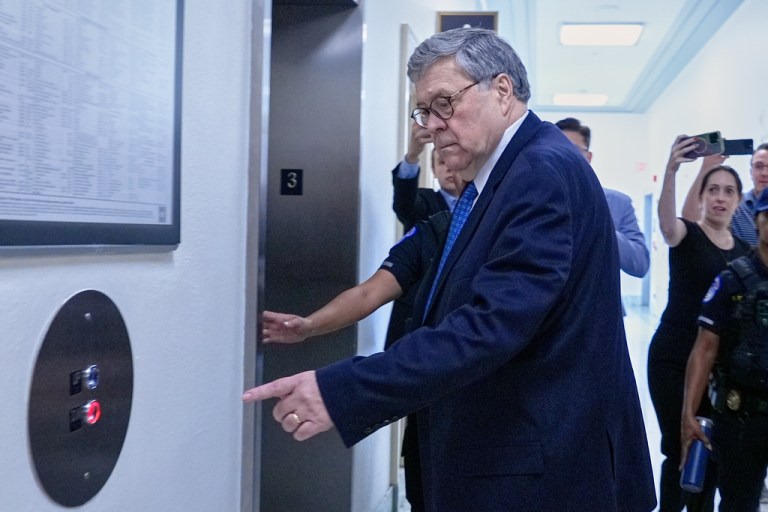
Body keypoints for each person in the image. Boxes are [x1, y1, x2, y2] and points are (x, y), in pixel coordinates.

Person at [244, 27, 656, 511]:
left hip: (538, 469)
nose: (432, 125)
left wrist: (347, 389)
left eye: (445, 103)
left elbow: (490, 326)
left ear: (502, 91)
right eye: (424, 111)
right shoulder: (506, 176)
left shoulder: (539, 172)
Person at [262, 211, 449, 512]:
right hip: (429, 399)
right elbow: (367, 293)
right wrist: (310, 325)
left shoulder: (509, 220)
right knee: (426, 492)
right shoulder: (436, 229)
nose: (451, 168)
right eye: (441, 161)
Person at [648, 135, 751, 512]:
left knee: (710, 451)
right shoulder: (686, 235)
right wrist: (673, 169)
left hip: (717, 372)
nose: (720, 197)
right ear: (703, 196)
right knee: (679, 446)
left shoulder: (745, 254)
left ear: (738, 201)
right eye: (713, 190)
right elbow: (665, 223)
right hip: (673, 359)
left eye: (728, 191)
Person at [681, 187, 768, 512]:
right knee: (737, 504)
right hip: (740, 417)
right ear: (758, 220)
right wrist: (688, 415)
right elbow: (704, 349)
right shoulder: (733, 280)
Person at [555, 117, 650, 279]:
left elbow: (640, 264)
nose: (566, 157)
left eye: (575, 151)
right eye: (558, 149)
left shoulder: (618, 203)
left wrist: (599, 224)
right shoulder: (536, 201)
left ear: (589, 157)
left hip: (602, 301)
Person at [392, 123, 463, 232]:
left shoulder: (480, 202)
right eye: (442, 162)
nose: (449, 167)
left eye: (453, 160)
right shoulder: (425, 201)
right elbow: (404, 206)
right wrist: (412, 154)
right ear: (433, 171)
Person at [728, 143, 768, 246]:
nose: (765, 173)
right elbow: (694, 221)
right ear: (751, 172)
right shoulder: (734, 204)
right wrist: (706, 166)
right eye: (759, 166)